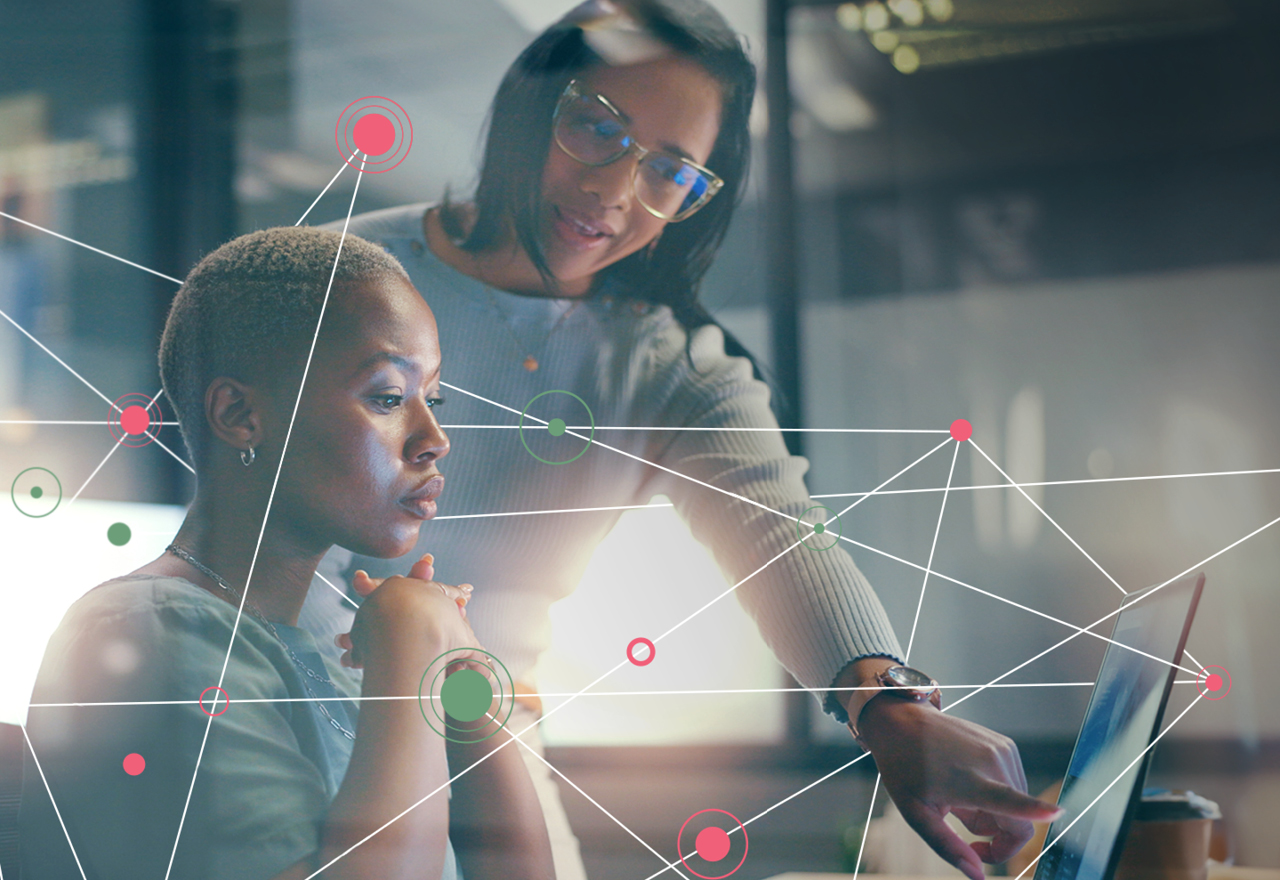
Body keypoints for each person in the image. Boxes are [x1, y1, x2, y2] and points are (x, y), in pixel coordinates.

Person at [310, 2, 1062, 878]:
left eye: (669, 171)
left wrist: (888, 706)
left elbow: (777, 529)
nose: (613, 191)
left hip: (489, 742)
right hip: (290, 714)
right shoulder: (334, 273)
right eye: (597, 127)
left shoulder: (663, 362)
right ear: (532, 105)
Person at [19, 227, 555, 880]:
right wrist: (416, 633)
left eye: (431, 398)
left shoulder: (345, 664)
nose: (434, 438)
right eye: (388, 397)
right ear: (241, 415)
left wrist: (454, 669)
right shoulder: (150, 634)